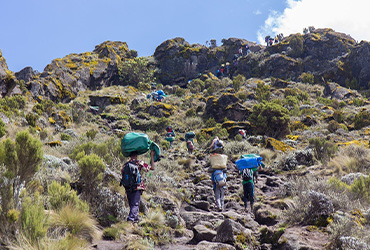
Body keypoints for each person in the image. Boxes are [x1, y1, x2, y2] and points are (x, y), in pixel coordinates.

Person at [121, 150, 155, 223]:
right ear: (136, 155)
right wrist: (152, 155)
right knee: (135, 205)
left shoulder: (125, 164)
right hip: (137, 187)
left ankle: (135, 223)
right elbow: (152, 168)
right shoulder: (139, 163)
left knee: (132, 205)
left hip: (128, 188)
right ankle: (130, 220)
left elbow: (122, 174)